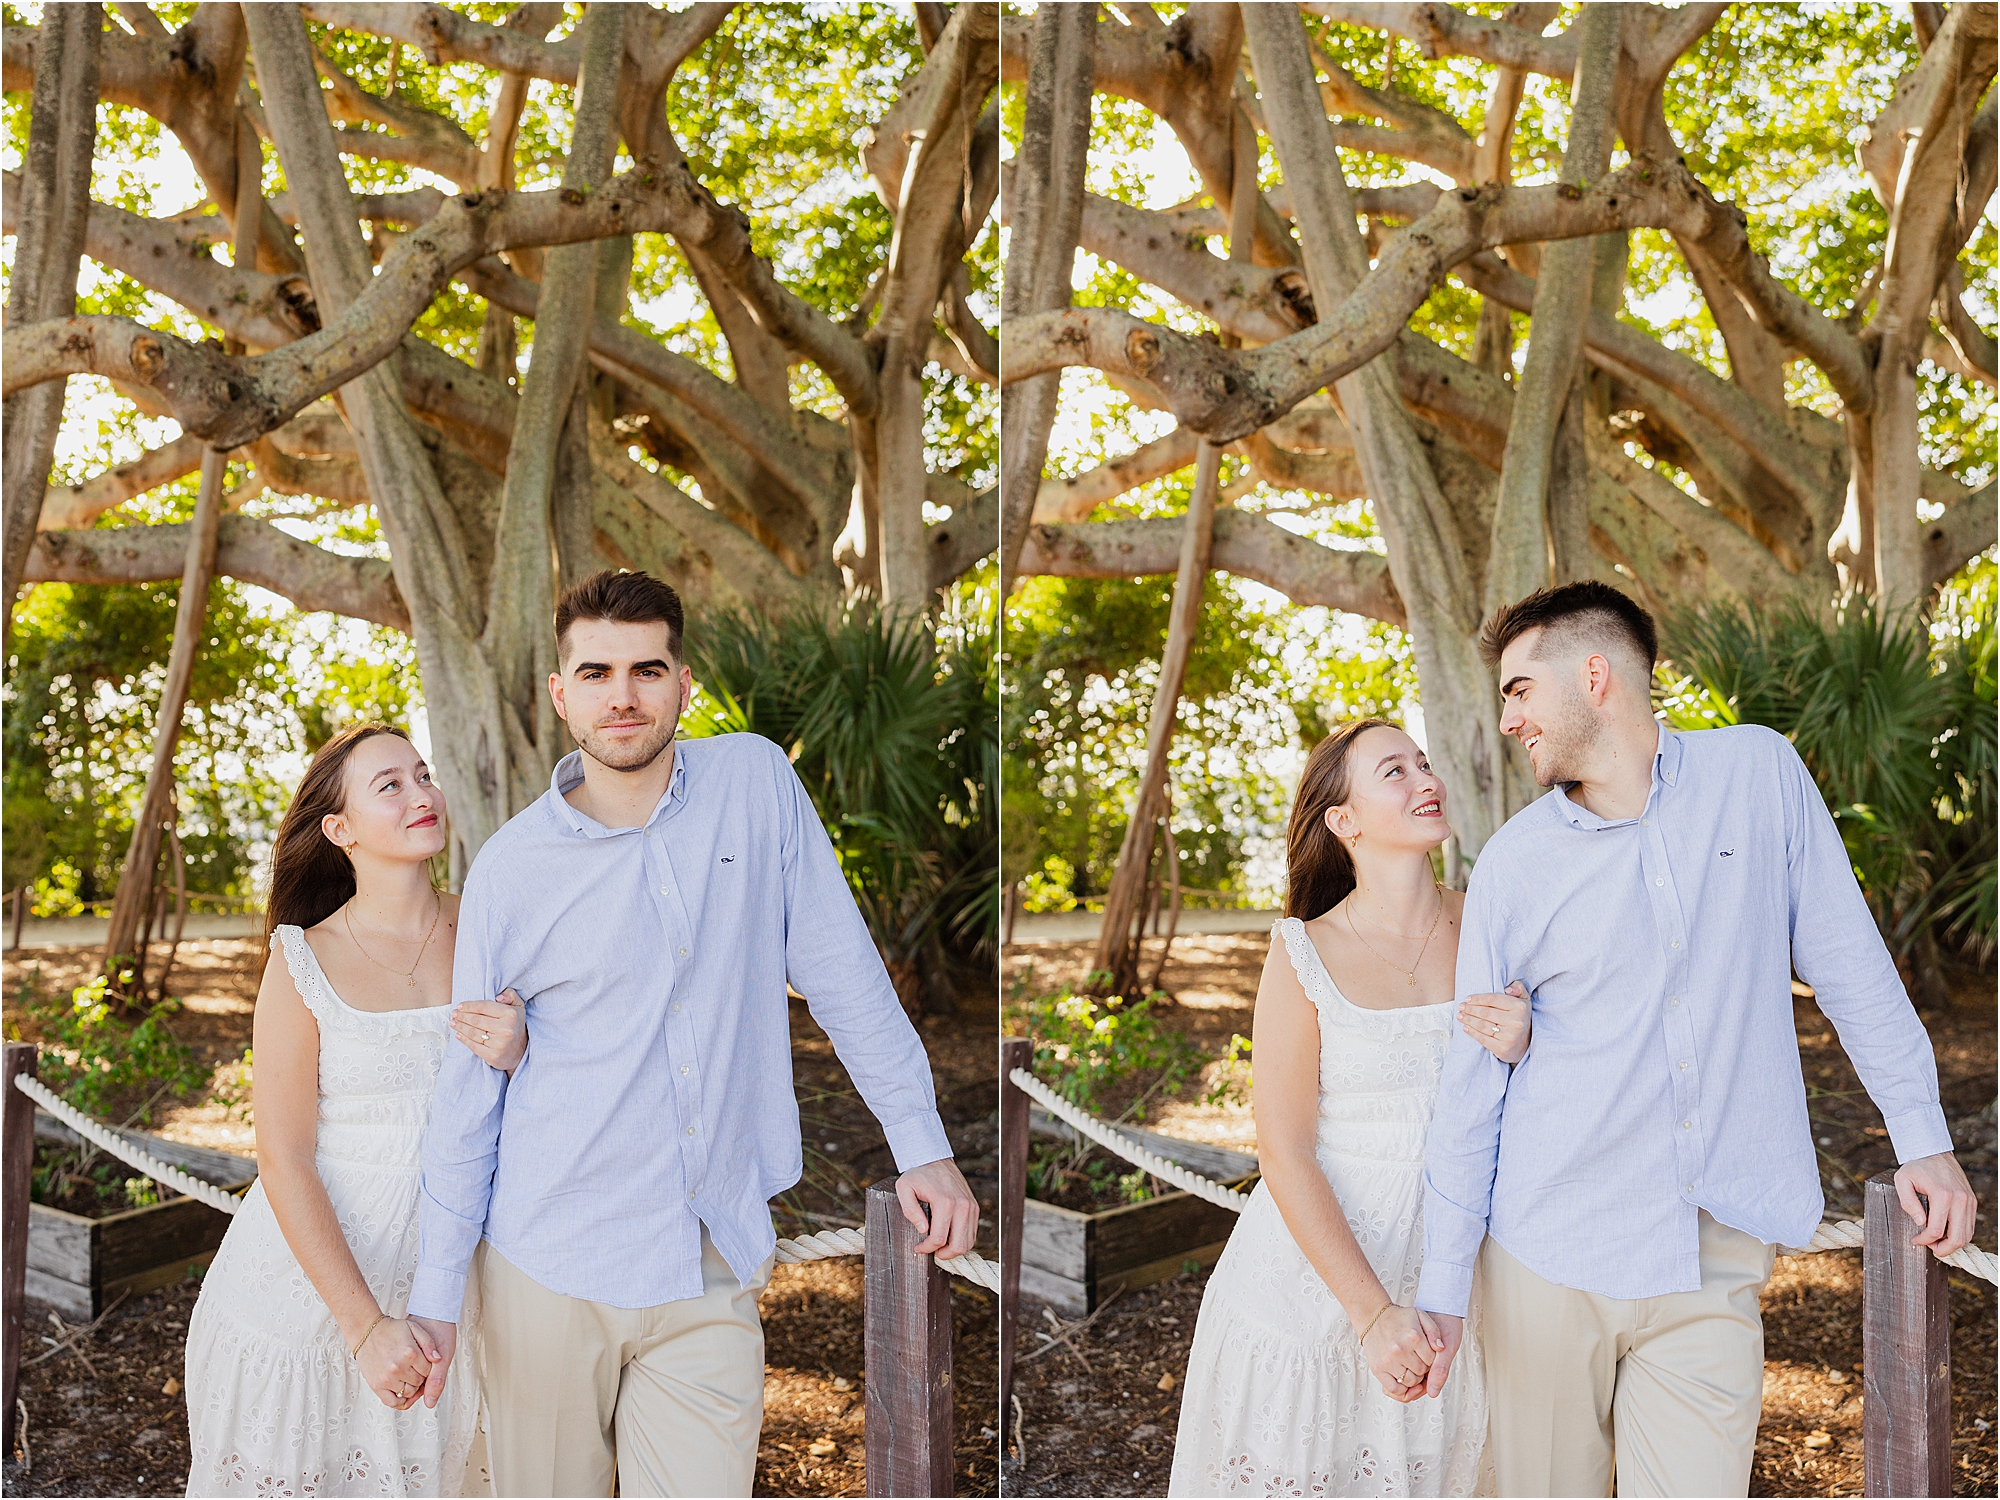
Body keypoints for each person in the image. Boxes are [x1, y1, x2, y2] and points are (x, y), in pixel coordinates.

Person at [403, 569, 981, 1499]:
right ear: (560, 694)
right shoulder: (511, 869)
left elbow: (844, 976)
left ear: (681, 682)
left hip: (709, 1256)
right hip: (549, 1262)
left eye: (646, 670)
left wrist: (924, 1148)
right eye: (595, 674)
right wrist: (435, 1298)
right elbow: (470, 1093)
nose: (622, 697)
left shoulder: (755, 781)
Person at [1414, 581, 1979, 1498]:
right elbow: (1473, 1086)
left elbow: (1850, 965)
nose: (1508, 718)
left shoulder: (1759, 774)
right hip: (1549, 1254)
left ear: (1594, 675)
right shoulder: (1515, 863)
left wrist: (1924, 1139)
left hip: (1713, 1254)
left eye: (1519, 689)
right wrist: (1443, 1288)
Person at [1169, 717, 1531, 1497]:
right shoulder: (1301, 952)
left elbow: (1565, 1084)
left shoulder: (1493, 921)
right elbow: (1284, 1150)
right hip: (1324, 1282)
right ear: (1344, 821)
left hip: (1475, 1266)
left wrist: (1531, 1043)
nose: (1426, 780)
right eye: (1395, 771)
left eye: (1424, 762)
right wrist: (1372, 1316)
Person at [184, 724, 528, 1497]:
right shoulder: (300, 960)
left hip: (470, 1282)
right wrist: (365, 1328)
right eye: (390, 786)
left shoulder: (493, 926)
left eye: (423, 775)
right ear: (339, 830)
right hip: (320, 1296)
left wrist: (523, 1053)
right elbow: (283, 1158)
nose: (421, 795)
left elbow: (569, 1089)